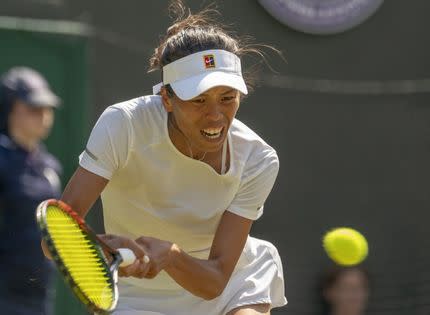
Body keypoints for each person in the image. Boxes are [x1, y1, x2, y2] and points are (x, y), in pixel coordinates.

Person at [44, 1, 287, 314]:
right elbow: (54, 240)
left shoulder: (258, 158)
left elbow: (215, 282)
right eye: (198, 100)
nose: (216, 116)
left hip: (227, 283)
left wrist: (171, 256)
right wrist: (100, 249)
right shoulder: (124, 124)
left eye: (228, 98)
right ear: (167, 98)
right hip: (135, 296)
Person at [0, 67, 61, 315]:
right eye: (34, 109)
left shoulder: (50, 165)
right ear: (11, 110)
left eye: (47, 109)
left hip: (39, 294)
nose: (44, 116)